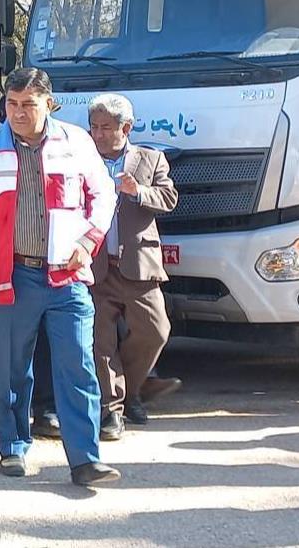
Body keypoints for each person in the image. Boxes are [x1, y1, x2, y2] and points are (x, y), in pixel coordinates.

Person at [0, 67, 121, 486]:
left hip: (67, 276)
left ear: (49, 103)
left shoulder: (76, 143)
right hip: (11, 275)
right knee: (12, 370)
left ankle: (85, 459)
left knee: (77, 365)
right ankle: (13, 447)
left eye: (28, 104)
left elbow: (104, 195)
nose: (18, 113)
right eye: (11, 104)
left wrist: (88, 241)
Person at [87, 93, 179, 439]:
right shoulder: (82, 158)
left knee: (155, 330)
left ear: (126, 128)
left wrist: (138, 191)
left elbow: (169, 198)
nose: (98, 134)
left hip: (138, 264)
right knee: (100, 341)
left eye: (105, 127)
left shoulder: (151, 159)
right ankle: (111, 411)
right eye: (94, 127)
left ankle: (131, 390)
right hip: (95, 266)